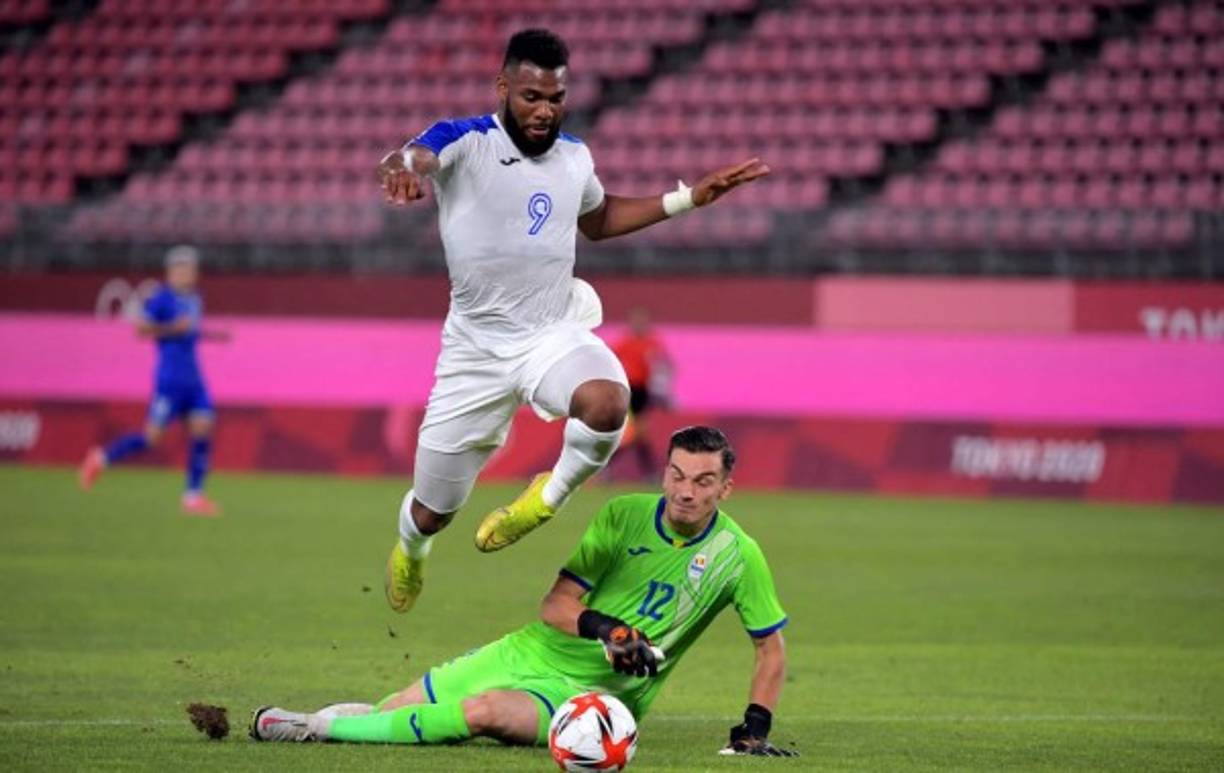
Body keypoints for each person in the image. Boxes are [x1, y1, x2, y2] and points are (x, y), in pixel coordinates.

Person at [376, 28, 770, 614]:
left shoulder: (575, 158)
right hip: (475, 351)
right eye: (532, 96)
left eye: (556, 98)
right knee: (434, 511)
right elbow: (411, 155)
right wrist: (401, 168)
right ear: (504, 88)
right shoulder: (466, 140)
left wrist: (689, 198)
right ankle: (412, 549)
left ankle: (545, 498)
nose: (544, 110)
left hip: (549, 332)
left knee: (609, 403)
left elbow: (600, 217)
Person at [251, 426, 796, 757]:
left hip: (594, 699)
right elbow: (556, 606)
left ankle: (314, 729)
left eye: (703, 482)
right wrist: (609, 629)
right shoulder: (623, 515)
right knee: (393, 711)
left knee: (483, 713)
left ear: (726, 488)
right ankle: (329, 724)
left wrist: (755, 728)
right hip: (530, 650)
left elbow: (769, 646)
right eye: (677, 475)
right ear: (665, 475)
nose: (685, 491)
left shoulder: (737, 556)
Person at [78, 245, 228, 516]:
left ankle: (193, 496)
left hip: (194, 380)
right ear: (171, 271)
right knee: (152, 437)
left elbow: (190, 333)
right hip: (169, 380)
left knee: (204, 427)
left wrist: (214, 336)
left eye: (191, 268)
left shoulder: (195, 299)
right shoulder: (161, 299)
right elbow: (141, 330)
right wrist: (173, 328)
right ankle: (100, 458)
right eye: (182, 268)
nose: (187, 273)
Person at [611, 307, 672, 478]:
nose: (639, 325)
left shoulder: (652, 343)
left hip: (644, 392)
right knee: (637, 433)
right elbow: (611, 360)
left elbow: (665, 365)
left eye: (642, 322)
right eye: (636, 322)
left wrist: (665, 388)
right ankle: (648, 472)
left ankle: (608, 466)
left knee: (638, 434)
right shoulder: (625, 343)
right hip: (629, 391)